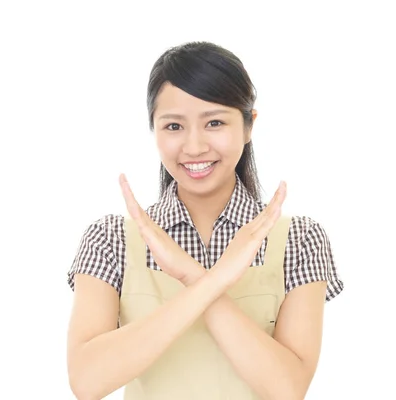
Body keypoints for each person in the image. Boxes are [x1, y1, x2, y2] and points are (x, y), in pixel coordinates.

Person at [66, 41, 344, 400]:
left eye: (214, 122)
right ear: (153, 129)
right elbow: (87, 382)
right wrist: (211, 281)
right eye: (173, 126)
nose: (194, 147)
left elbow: (288, 389)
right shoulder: (110, 238)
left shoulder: (300, 239)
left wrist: (193, 276)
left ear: (248, 126)